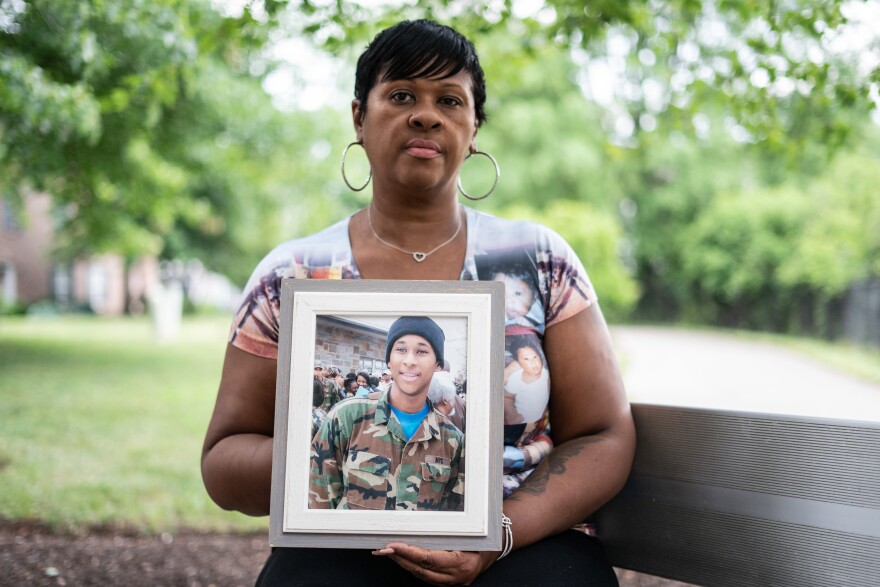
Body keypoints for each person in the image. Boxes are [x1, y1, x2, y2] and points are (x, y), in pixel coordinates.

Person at [202, 19, 634, 586]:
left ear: (474, 126)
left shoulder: (540, 259)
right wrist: (321, 454)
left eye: (450, 100)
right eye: (401, 94)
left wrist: (497, 533)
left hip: (523, 539)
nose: (426, 114)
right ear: (359, 116)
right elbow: (223, 458)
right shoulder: (292, 276)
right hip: (343, 539)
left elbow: (605, 434)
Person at [309, 316, 464, 511]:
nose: (409, 361)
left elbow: (453, 519)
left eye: (422, 351)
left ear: (438, 365)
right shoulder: (345, 418)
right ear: (389, 360)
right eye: (401, 349)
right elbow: (317, 504)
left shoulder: (452, 440)